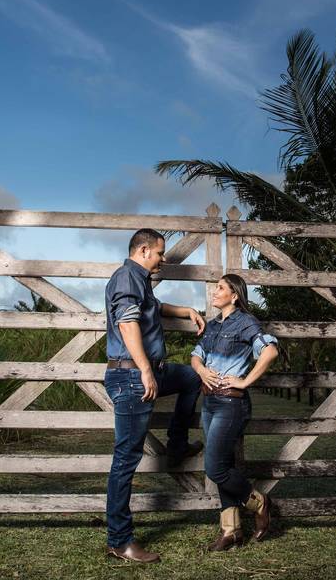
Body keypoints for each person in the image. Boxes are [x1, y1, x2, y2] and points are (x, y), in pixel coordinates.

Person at [103, 228, 206, 564]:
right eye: (161, 253)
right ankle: (120, 541)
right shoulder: (127, 277)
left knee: (192, 376)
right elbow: (128, 323)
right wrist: (146, 370)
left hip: (146, 372)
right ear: (144, 250)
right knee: (125, 461)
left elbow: (154, 308)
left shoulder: (138, 280)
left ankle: (176, 446)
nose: (163, 259)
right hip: (133, 376)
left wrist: (186, 311)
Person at [190, 274, 279, 551]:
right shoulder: (213, 325)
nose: (214, 292)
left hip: (231, 404)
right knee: (224, 466)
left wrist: (244, 381)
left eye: (220, 288)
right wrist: (202, 370)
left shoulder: (246, 322)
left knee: (214, 468)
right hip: (209, 402)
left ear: (235, 295)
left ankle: (259, 503)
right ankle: (231, 531)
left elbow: (270, 351)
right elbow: (195, 356)